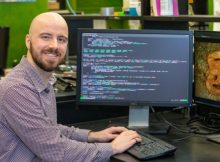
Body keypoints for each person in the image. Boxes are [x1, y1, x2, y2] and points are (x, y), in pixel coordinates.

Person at [0, 12, 141, 162]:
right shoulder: (17, 89)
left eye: (61, 39)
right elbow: (56, 151)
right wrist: (112, 148)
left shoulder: (43, 80)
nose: (54, 45)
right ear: (28, 41)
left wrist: (93, 136)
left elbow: (47, 129)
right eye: (45, 37)